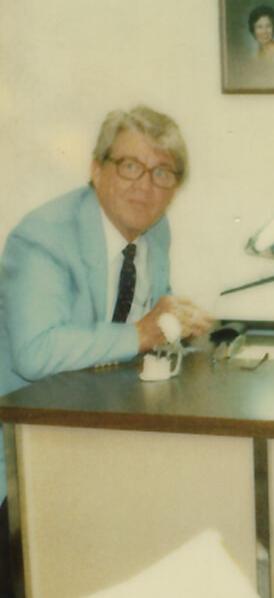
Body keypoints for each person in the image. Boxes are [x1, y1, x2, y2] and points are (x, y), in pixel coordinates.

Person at [0, 105, 215, 592]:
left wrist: (179, 321)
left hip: (91, 433)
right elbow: (33, 353)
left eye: (162, 172)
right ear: (96, 169)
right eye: (130, 166)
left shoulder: (154, 230)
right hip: (18, 452)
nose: (145, 185)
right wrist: (144, 332)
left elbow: (144, 320)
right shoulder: (43, 238)